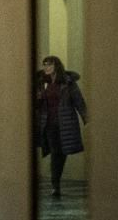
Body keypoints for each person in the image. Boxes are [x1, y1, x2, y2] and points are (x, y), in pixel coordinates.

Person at [35, 55, 87, 198]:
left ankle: (56, 182)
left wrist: (87, 119)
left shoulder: (67, 82)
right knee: (55, 152)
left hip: (65, 123)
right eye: (45, 64)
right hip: (49, 124)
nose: (46, 67)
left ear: (56, 66)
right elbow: (37, 104)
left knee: (61, 154)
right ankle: (55, 185)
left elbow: (78, 101)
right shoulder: (42, 83)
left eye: (49, 64)